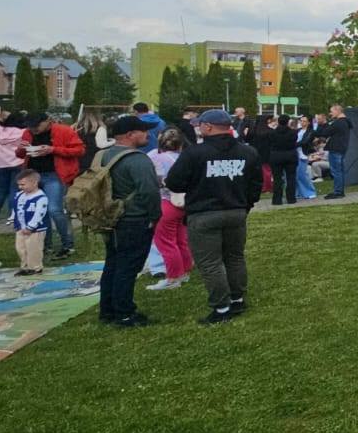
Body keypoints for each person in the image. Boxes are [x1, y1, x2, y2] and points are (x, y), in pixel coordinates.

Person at [166, 109, 263, 325]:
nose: (198, 128)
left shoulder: (195, 153)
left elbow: (174, 181)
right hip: (236, 211)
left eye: (200, 125)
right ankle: (237, 299)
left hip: (204, 213)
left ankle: (221, 308)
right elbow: (256, 183)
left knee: (210, 263)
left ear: (208, 127)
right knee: (235, 257)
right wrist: (246, 205)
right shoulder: (247, 152)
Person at [95, 115, 163, 327]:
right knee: (128, 267)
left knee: (113, 264)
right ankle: (125, 313)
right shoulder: (137, 159)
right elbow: (150, 191)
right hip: (134, 219)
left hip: (109, 217)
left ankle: (108, 309)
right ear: (130, 134)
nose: (148, 134)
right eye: (143, 130)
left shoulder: (101, 155)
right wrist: (155, 216)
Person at [17, 112, 85, 260]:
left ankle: (67, 244)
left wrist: (53, 149)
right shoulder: (27, 133)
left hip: (55, 174)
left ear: (48, 121)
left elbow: (79, 150)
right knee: (40, 211)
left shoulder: (64, 130)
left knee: (54, 209)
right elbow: (20, 155)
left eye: (36, 126)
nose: (34, 129)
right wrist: (22, 149)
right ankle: (44, 245)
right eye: (31, 127)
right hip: (34, 175)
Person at [147, 127, 193, 291]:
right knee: (181, 240)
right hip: (183, 202)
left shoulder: (152, 156)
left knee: (166, 243)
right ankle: (185, 270)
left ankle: (173, 277)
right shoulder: (185, 158)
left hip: (164, 201)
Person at [9, 169, 48, 275]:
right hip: (21, 227)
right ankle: (25, 266)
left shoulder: (41, 197)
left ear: (34, 183)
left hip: (35, 230)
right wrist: (13, 219)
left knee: (33, 248)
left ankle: (35, 267)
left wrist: (31, 227)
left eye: (23, 184)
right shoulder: (20, 195)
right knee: (21, 248)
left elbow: (39, 214)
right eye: (19, 184)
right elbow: (15, 208)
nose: (20, 187)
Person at [315, 106, 351, 198]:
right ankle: (339, 191)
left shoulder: (338, 123)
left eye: (331, 111)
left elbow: (325, 132)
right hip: (342, 148)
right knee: (340, 171)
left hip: (335, 149)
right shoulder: (346, 122)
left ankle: (338, 192)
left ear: (337, 111)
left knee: (336, 171)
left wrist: (320, 126)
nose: (330, 114)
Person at [266, 115, 300, 205]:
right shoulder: (293, 132)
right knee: (291, 177)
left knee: (277, 179)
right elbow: (294, 142)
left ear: (278, 121)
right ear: (288, 121)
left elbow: (269, 143)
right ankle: (291, 198)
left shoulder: (272, 133)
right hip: (290, 155)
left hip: (276, 156)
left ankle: (277, 200)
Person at [0, 110, 24, 222]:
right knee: (15, 190)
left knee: (0, 190)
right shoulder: (23, 132)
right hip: (18, 163)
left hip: (1, 164)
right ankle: (13, 215)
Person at [294, 116, 318, 201]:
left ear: (308, 122)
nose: (302, 122)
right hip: (295, 154)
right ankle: (298, 192)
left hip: (303, 154)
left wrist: (294, 144)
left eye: (304, 121)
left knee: (302, 174)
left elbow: (305, 142)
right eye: (301, 121)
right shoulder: (297, 130)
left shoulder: (311, 132)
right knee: (295, 175)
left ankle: (310, 192)